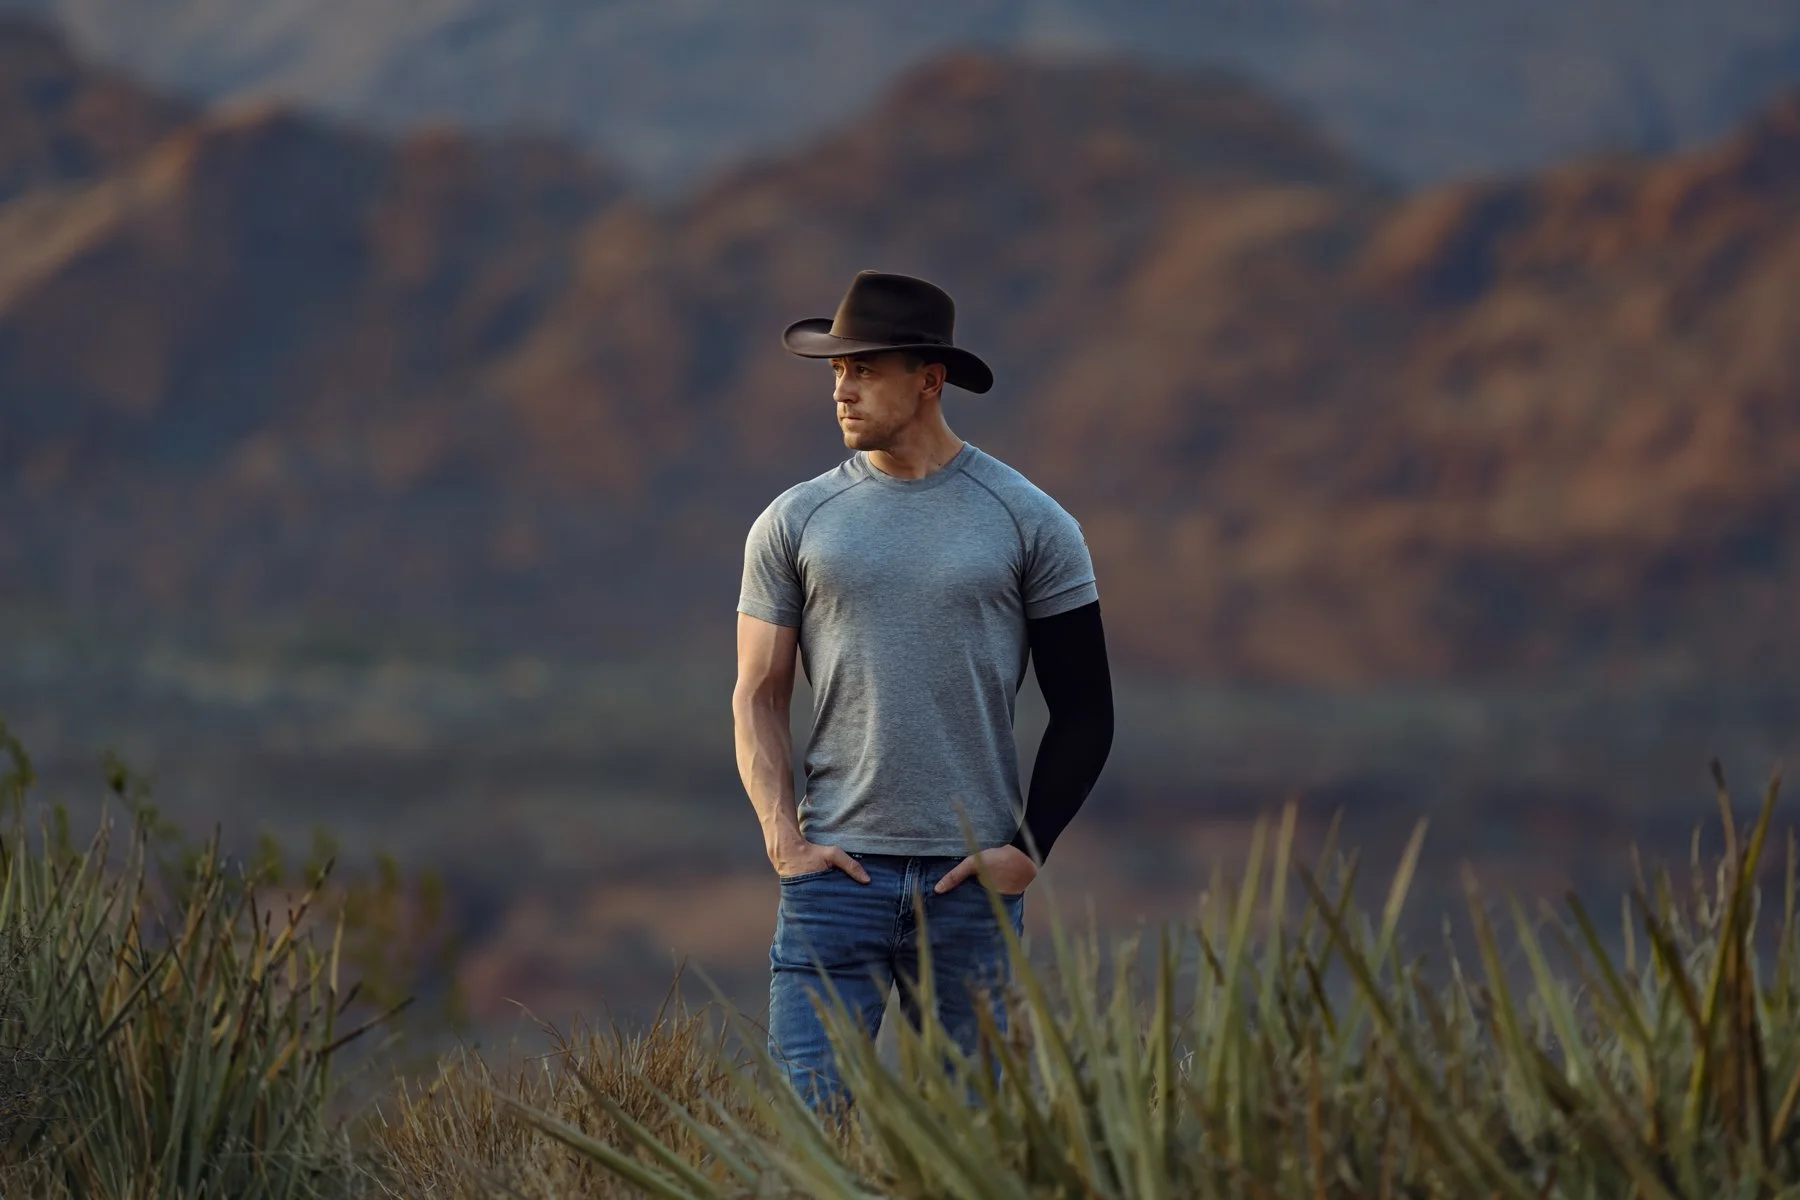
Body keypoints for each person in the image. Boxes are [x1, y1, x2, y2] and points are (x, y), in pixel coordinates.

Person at [733, 269, 1115, 1113]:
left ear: (929, 380)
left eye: (864, 368)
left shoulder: (1030, 520)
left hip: (970, 892)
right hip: (834, 880)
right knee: (809, 1142)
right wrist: (782, 843)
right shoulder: (795, 521)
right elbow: (757, 693)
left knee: (976, 1151)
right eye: (836, 370)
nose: (842, 388)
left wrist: (1028, 849)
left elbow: (1086, 706)